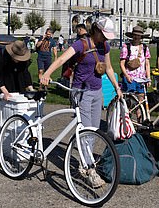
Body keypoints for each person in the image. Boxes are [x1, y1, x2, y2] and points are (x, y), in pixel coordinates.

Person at [40, 17, 123, 188]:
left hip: (96, 91)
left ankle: (84, 162)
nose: (107, 39)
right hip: (81, 91)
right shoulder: (81, 44)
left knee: (92, 131)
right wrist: (47, 74)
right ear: (97, 30)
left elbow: (108, 68)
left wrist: (117, 87)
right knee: (85, 130)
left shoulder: (105, 46)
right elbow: (62, 59)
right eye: (104, 35)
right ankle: (89, 170)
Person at [0, 36, 33, 148]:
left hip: (14, 85)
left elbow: (25, 73)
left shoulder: (22, 61)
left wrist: (30, 89)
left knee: (13, 112)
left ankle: (9, 137)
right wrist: (4, 91)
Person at [120, 26, 151, 105]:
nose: (136, 37)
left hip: (141, 79)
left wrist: (148, 78)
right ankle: (127, 116)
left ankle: (140, 116)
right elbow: (122, 64)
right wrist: (126, 76)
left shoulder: (144, 48)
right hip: (130, 78)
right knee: (130, 102)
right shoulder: (126, 47)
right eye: (135, 35)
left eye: (138, 35)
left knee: (140, 101)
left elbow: (147, 64)